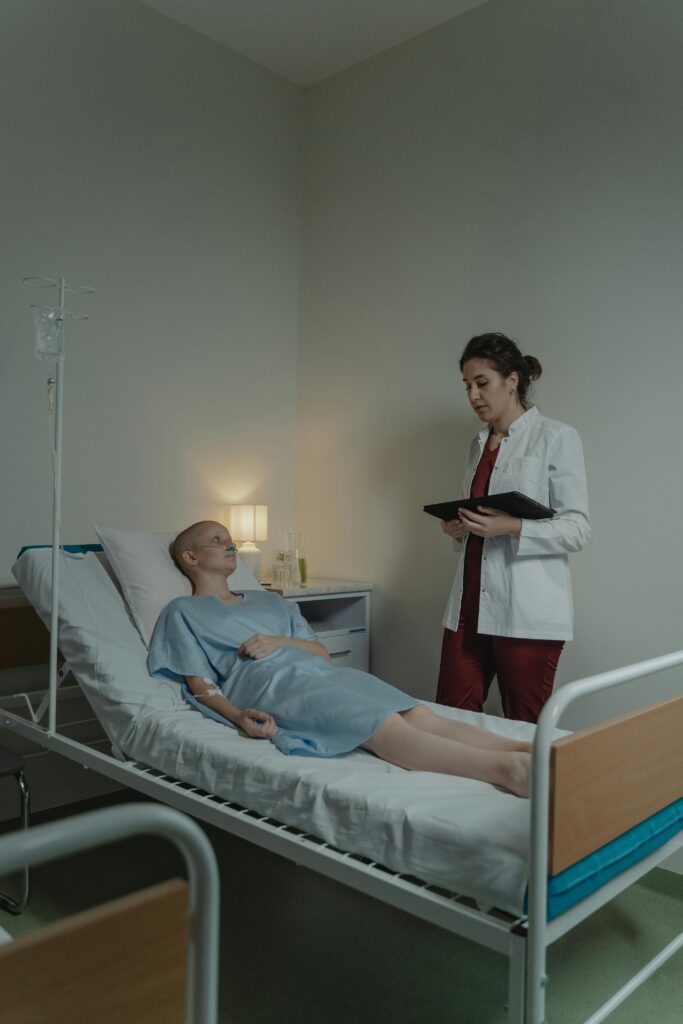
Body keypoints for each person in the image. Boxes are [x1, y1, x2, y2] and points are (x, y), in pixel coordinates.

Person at [148, 519, 532, 797]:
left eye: (232, 540)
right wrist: (237, 717)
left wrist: (276, 640)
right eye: (219, 540)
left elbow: (320, 652)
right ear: (190, 557)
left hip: (319, 673)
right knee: (383, 726)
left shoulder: (269, 600)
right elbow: (199, 684)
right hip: (267, 684)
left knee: (417, 714)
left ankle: (527, 751)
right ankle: (509, 772)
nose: (231, 545)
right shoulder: (182, 611)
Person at [436, 332, 591, 722]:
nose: (473, 395)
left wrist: (513, 525)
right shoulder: (477, 444)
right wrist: (461, 529)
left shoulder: (555, 437)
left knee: (524, 726)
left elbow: (577, 528)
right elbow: (482, 524)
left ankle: (528, 787)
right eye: (467, 386)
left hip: (526, 612)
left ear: (512, 380)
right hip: (468, 606)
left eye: (482, 383)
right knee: (451, 720)